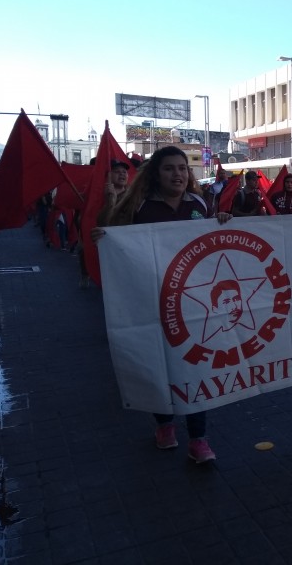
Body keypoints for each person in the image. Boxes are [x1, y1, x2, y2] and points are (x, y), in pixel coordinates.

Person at [95, 145, 233, 465]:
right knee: (159, 365)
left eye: (183, 169)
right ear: (156, 174)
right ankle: (164, 424)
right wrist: (109, 210)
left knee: (195, 367)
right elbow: (110, 230)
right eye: (170, 168)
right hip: (152, 300)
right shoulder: (140, 205)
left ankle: (198, 438)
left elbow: (214, 239)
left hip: (194, 304)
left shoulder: (200, 203)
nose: (178, 174)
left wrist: (223, 220)